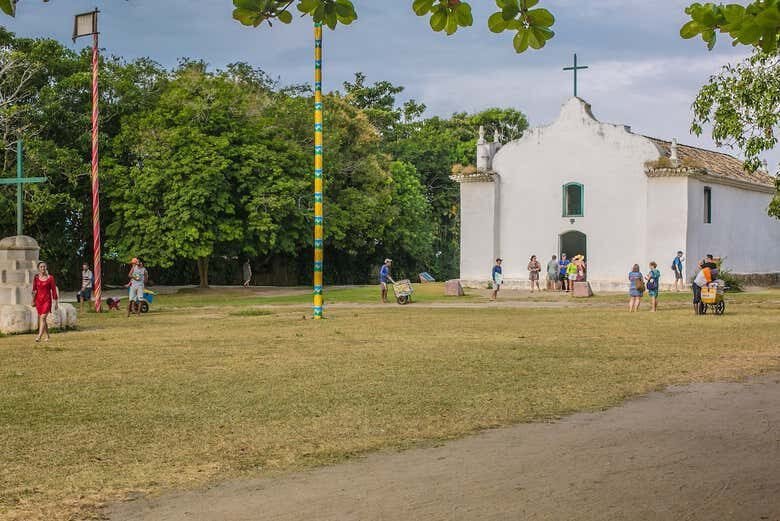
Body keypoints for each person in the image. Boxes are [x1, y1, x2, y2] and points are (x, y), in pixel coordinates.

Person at [32, 261, 58, 342]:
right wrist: (33, 300)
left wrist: (56, 302)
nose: (43, 268)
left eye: (44, 266)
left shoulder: (50, 278)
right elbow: (34, 290)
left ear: (46, 267)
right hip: (38, 301)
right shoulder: (36, 277)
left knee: (43, 317)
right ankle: (47, 336)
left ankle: (39, 336)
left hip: (47, 300)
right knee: (43, 319)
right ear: (38, 268)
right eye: (41, 267)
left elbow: (54, 290)